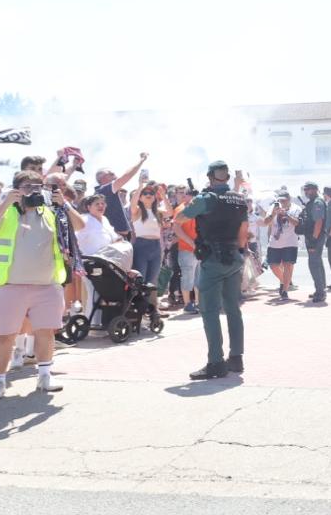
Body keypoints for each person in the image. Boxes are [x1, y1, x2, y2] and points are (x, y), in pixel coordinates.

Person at [0, 171, 71, 401]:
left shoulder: (49, 212)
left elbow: (77, 226)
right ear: (17, 189)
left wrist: (66, 205)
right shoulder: (6, 211)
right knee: (4, 336)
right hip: (9, 286)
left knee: (46, 333)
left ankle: (45, 375)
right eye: (28, 187)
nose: (34, 191)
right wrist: (5, 202)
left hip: (46, 285)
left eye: (38, 186)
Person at [180, 160, 249, 380]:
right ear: (227, 177)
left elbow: (181, 217)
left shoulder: (207, 198)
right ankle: (236, 358)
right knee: (233, 308)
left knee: (209, 310)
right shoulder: (239, 198)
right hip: (234, 256)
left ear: (210, 177)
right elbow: (244, 229)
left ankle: (216, 362)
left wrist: (194, 202)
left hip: (213, 258)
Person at [94, 153, 147, 240]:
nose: (116, 176)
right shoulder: (104, 190)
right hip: (113, 238)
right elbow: (127, 175)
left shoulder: (106, 193)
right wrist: (141, 160)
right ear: (102, 178)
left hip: (119, 238)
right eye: (111, 174)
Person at [128, 181, 170, 288]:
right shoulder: (137, 211)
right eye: (145, 194)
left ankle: (147, 304)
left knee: (151, 281)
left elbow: (170, 212)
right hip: (141, 245)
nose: (148, 195)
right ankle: (137, 304)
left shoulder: (158, 212)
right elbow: (133, 203)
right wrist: (140, 186)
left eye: (151, 193)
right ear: (140, 198)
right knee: (139, 279)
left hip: (156, 246)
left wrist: (163, 195)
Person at [262, 191, 300, 301]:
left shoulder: (296, 208)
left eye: (284, 200)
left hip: (290, 242)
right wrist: (274, 213)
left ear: (289, 199)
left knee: (288, 265)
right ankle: (284, 281)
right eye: (280, 200)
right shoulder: (273, 207)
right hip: (275, 242)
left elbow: (297, 223)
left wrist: (286, 215)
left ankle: (285, 291)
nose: (281, 202)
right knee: (273, 266)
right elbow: (266, 222)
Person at [299, 181, 328, 302]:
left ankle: (320, 292)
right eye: (305, 189)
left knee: (314, 264)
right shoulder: (312, 202)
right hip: (312, 236)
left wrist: (314, 240)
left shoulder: (317, 202)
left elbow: (319, 222)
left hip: (315, 237)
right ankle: (320, 289)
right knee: (317, 262)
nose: (306, 192)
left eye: (309, 189)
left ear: (315, 189)